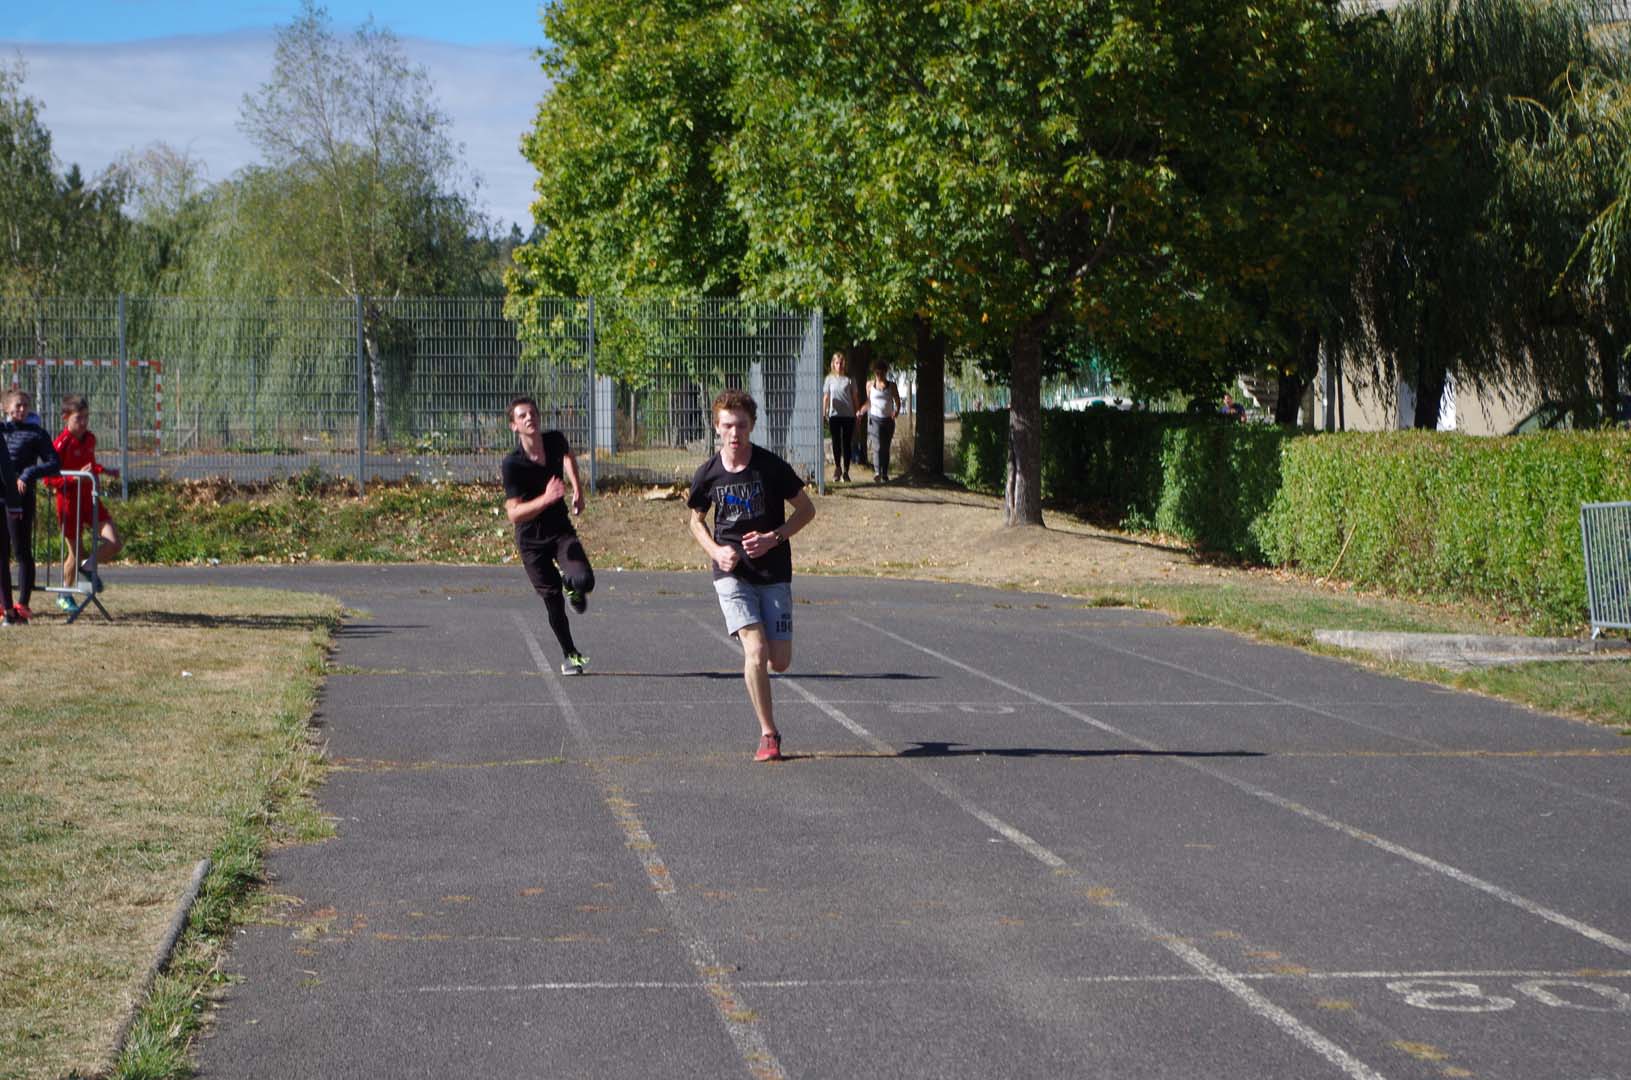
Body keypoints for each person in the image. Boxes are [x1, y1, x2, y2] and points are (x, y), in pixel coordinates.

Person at [687, 388, 816, 762]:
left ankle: (769, 726)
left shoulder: (771, 467)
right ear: (717, 428)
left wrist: (774, 537)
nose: (734, 433)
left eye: (741, 425)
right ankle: (768, 734)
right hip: (733, 575)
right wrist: (716, 551)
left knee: (781, 660)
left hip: (774, 572)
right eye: (727, 425)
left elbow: (806, 510)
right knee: (755, 650)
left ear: (752, 426)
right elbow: (695, 521)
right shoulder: (707, 474)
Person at [501, 395, 596, 675]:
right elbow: (514, 514)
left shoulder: (554, 440)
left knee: (584, 580)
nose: (529, 418)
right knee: (553, 601)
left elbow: (568, 456)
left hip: (559, 531)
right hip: (531, 542)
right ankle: (571, 654)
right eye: (522, 416)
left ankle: (574, 588)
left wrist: (577, 489)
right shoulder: (512, 465)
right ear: (514, 426)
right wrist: (546, 498)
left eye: (532, 413)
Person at [49, 394, 121, 609]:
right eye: (78, 418)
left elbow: (90, 464)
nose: (83, 423)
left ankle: (87, 569)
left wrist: (104, 470)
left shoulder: (90, 438)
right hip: (69, 504)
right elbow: (49, 478)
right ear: (65, 418)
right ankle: (64, 593)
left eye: (86, 417)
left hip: (89, 500)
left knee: (114, 543)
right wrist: (74, 476)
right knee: (75, 552)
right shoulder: (60, 444)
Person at [3, 387, 62, 623]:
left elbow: (54, 463)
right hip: (1, 495)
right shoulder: (2, 431)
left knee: (21, 550)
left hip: (21, 498)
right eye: (17, 405)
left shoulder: (36, 433)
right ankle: (4, 605)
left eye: (25, 405)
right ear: (6, 408)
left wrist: (27, 474)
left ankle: (23, 604)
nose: (22, 409)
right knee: (2, 553)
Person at [861, 361, 902, 482]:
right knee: (877, 446)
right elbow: (869, 402)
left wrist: (896, 411)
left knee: (885, 447)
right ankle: (877, 471)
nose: (879, 375)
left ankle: (885, 473)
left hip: (888, 420)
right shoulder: (869, 385)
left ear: (885, 372)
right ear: (874, 372)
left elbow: (897, 401)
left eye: (881, 372)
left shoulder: (892, 386)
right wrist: (861, 411)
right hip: (874, 419)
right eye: (877, 372)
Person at [821, 351, 858, 483]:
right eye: (837, 362)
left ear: (845, 364)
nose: (840, 365)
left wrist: (857, 412)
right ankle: (837, 468)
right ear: (833, 364)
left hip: (848, 415)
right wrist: (823, 412)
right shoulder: (829, 379)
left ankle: (846, 471)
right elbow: (826, 397)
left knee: (846, 443)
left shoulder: (850, 379)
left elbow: (854, 397)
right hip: (834, 415)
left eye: (841, 362)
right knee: (836, 442)